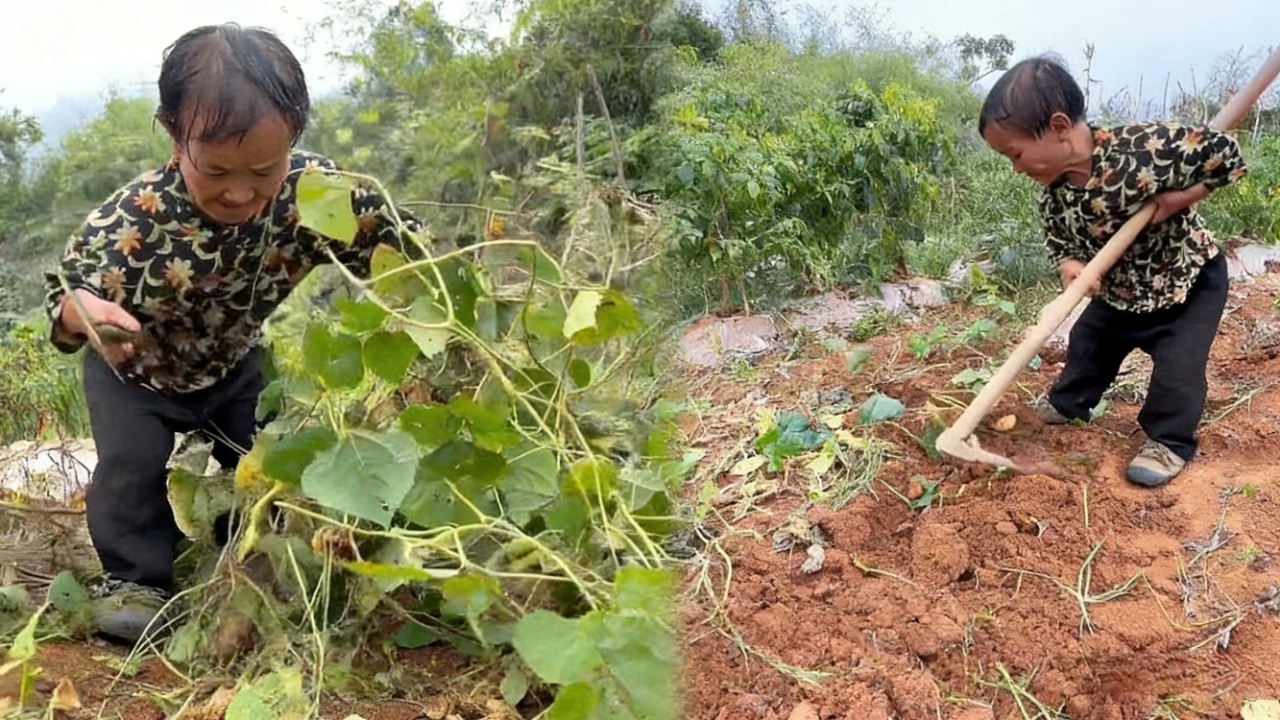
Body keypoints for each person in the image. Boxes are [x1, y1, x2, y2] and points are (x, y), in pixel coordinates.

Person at [43, 23, 419, 644]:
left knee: (274, 459)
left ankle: (252, 553)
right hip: (134, 375)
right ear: (174, 135)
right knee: (131, 465)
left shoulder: (316, 196)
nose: (240, 192)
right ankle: (135, 581)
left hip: (237, 364)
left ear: (293, 138)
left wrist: (433, 297)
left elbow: (397, 250)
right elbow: (67, 296)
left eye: (264, 169)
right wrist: (79, 314)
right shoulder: (129, 222)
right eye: (216, 170)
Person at [978, 55, 1246, 489]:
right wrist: (1070, 266)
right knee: (1088, 342)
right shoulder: (1055, 196)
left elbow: (1228, 157)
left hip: (1186, 284)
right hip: (1121, 293)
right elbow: (1059, 242)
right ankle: (1068, 404)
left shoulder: (1145, 149)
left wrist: (1181, 198)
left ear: (1059, 127)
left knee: (1178, 370)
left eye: (1017, 153)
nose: (1016, 167)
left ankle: (1169, 441)